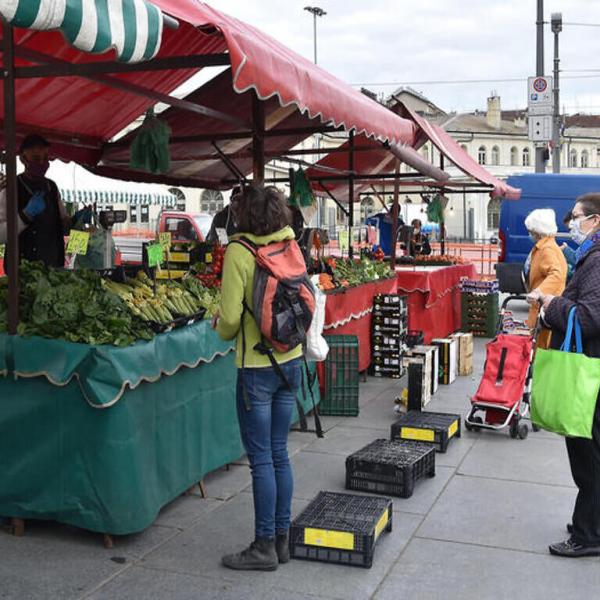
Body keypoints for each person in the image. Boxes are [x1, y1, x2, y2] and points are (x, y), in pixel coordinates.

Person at [214, 185, 303, 571]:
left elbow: (231, 319)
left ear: (245, 213)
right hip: (292, 361)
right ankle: (282, 540)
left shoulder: (239, 251)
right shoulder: (290, 243)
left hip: (256, 367)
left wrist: (220, 327)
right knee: (280, 452)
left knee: (261, 459)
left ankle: (263, 546)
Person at [527, 193, 600, 557]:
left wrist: (552, 305)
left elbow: (588, 317)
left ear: (595, 221)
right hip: (592, 366)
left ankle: (589, 535)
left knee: (588, 454)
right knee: (588, 451)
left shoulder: (597, 261)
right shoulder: (591, 257)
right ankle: (590, 523)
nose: (571, 223)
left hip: (590, 369)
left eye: (576, 217)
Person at [0, 134, 90, 267]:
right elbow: (1, 236)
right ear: (23, 159)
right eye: (36, 159)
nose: (42, 163)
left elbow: (64, 227)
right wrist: (25, 215)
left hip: (53, 268)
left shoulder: (52, 187)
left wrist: (76, 221)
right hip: (21, 270)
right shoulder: (10, 189)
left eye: (45, 158)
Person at [522, 209, 568, 349]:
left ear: (538, 232)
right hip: (544, 307)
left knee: (539, 348)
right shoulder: (548, 246)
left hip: (543, 308)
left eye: (531, 230)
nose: (529, 233)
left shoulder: (546, 249)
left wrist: (538, 292)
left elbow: (557, 274)